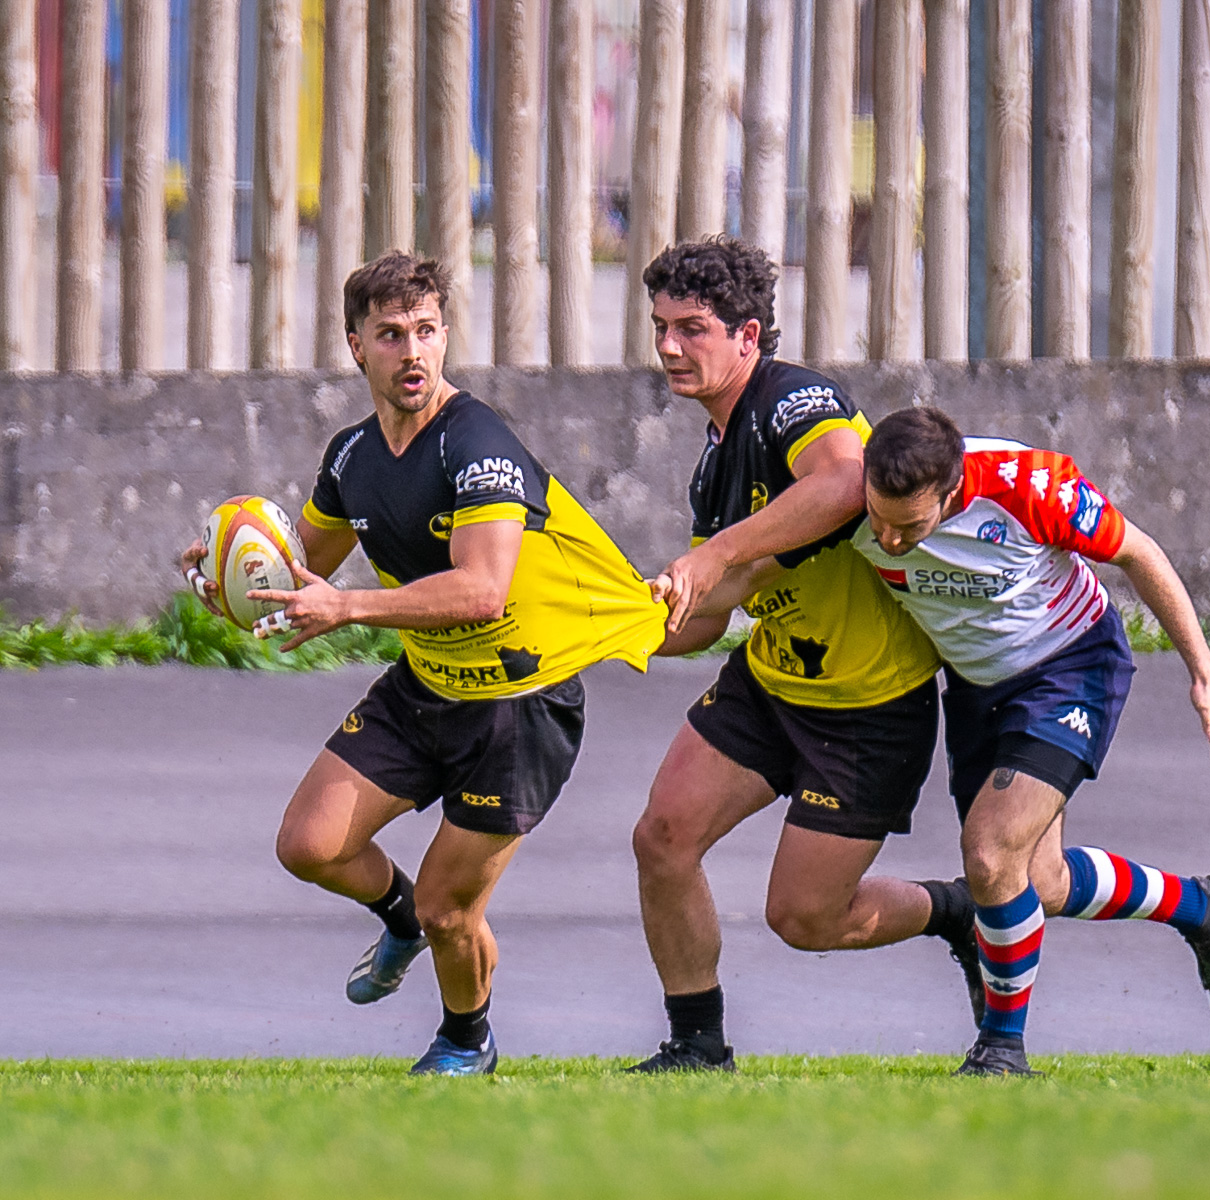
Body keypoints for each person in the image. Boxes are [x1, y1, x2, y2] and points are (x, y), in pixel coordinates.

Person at [182, 252, 667, 1075]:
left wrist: (348, 609)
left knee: (454, 908)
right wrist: (233, 573)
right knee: (310, 844)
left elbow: (482, 590)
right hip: (428, 687)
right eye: (392, 334)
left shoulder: (477, 444)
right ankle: (398, 922)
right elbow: (309, 563)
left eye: (428, 331)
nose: (413, 352)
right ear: (356, 346)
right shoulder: (350, 458)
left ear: (445, 339)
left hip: (519, 705)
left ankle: (466, 1038)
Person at [627, 236, 981, 1073]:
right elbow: (709, 620)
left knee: (805, 919)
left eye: (694, 328)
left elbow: (844, 481)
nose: (671, 347)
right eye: (661, 328)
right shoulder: (714, 464)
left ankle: (955, 914)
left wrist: (713, 558)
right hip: (772, 683)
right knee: (662, 838)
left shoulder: (794, 399)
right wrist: (622, 626)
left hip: (868, 709)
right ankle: (696, 1045)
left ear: (749, 336)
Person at [854, 406, 1210, 1076]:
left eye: (911, 527)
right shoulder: (843, 496)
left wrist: (1205, 675)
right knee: (1038, 880)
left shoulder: (1030, 486)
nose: (890, 542)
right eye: (879, 522)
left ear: (952, 494)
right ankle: (1203, 905)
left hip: (1071, 667)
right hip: (979, 686)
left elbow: (1138, 552)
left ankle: (1002, 1049)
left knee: (988, 852)